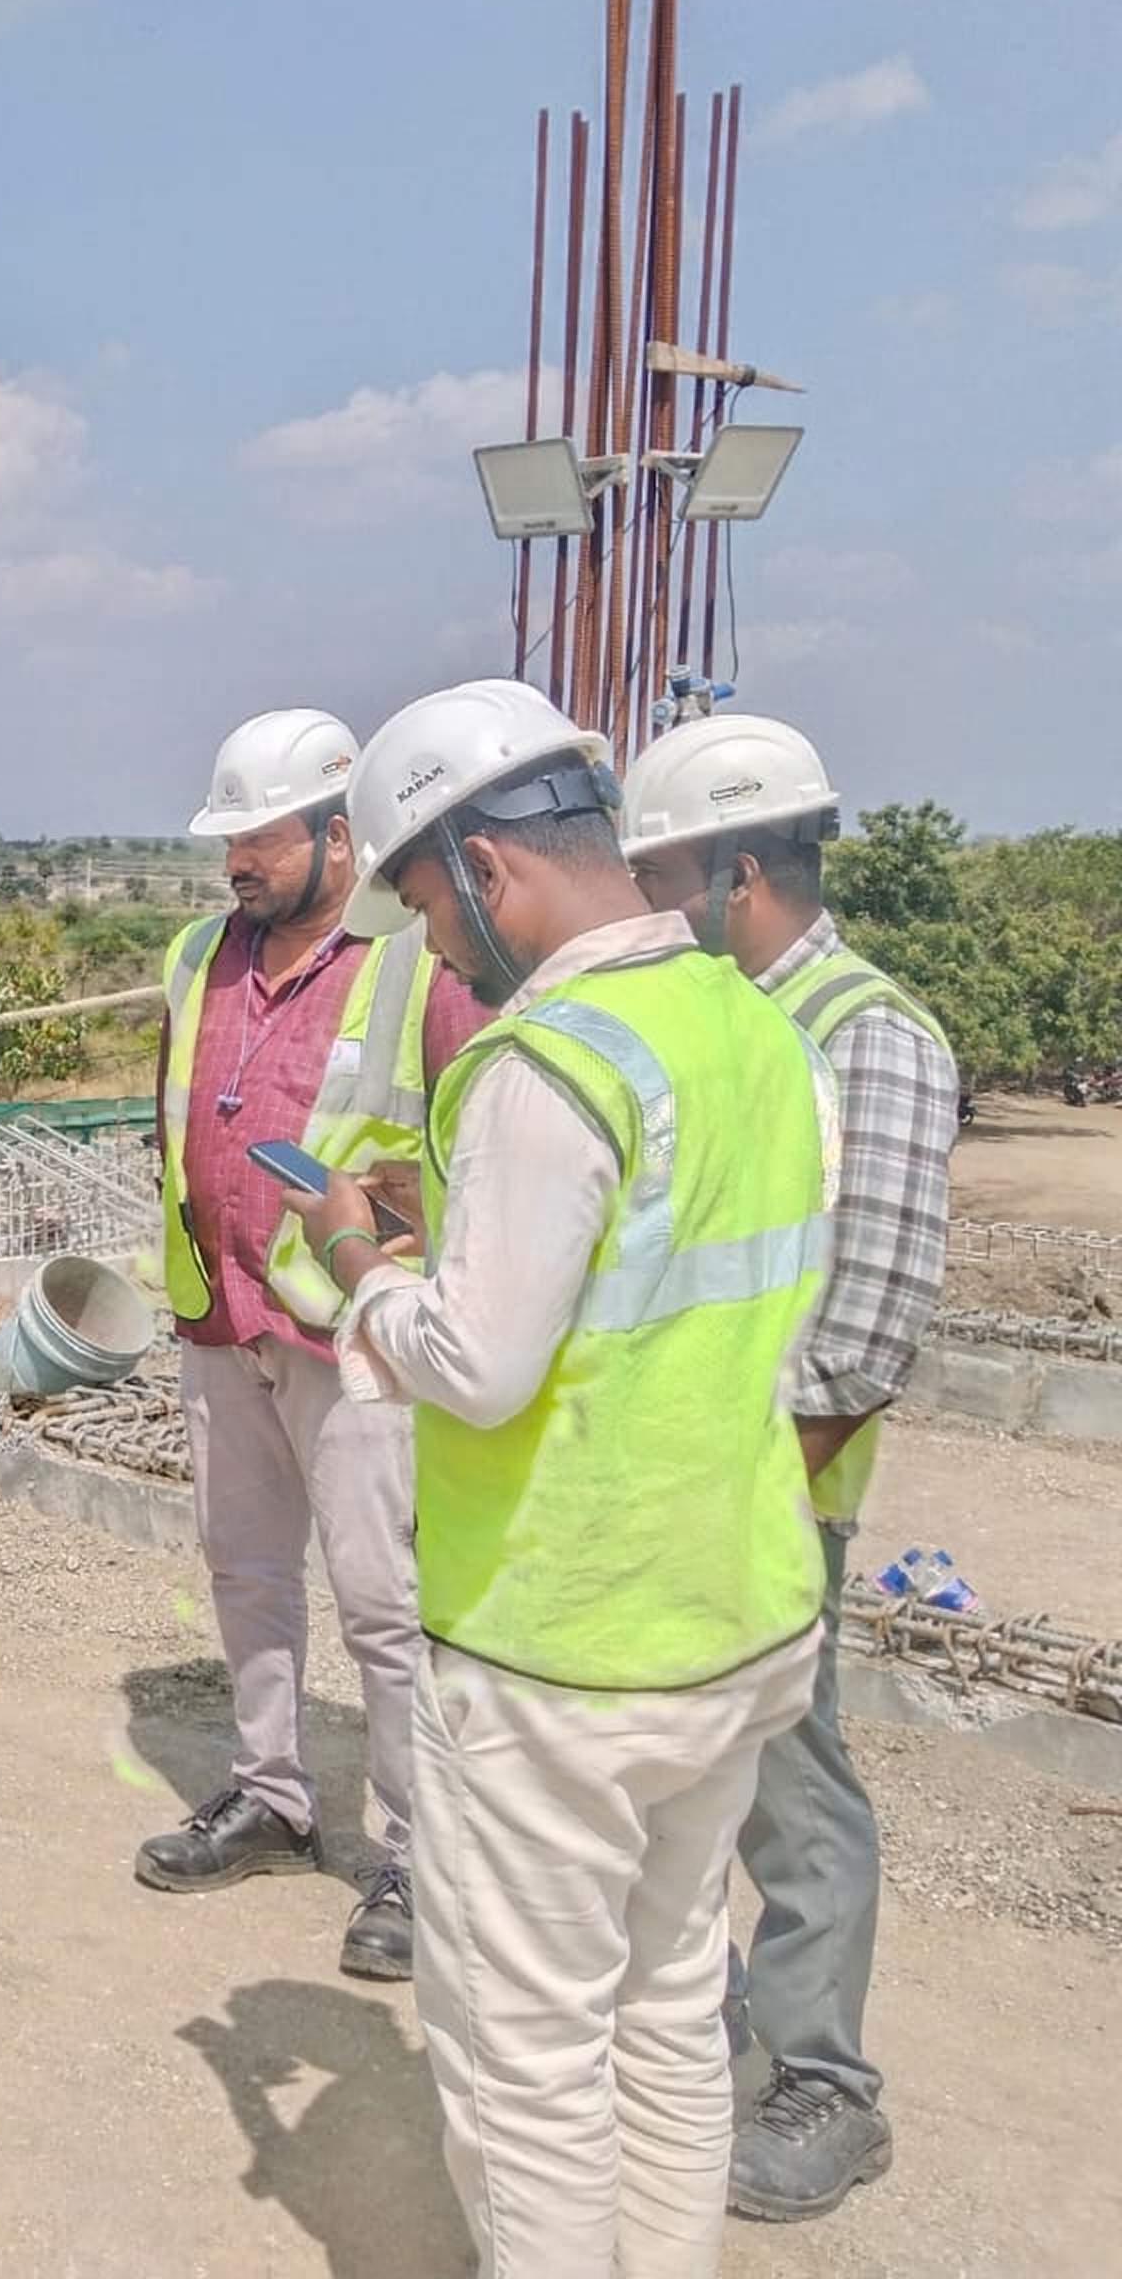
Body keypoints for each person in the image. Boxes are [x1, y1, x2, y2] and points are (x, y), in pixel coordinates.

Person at [274, 677, 835, 2277]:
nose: (435, 950)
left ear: (488, 867)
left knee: (526, 2063)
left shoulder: (546, 1063)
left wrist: (359, 1256)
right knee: (666, 2005)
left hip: (563, 1651)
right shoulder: (759, 1029)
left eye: (427, 909)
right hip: (734, 1616)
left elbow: (476, 1366)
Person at [624, 713, 957, 2224]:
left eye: (660, 877)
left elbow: (866, 1320)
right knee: (692, 1771)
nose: (645, 905)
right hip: (687, 1476)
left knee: (788, 1778)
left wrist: (751, 1490)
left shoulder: (865, 1034)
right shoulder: (718, 1018)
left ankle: (828, 2085)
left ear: (737, 875)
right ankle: (711, 2028)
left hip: (774, 1488)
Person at [138, 708, 480, 1984]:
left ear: (340, 836)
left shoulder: (416, 963)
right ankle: (271, 1792)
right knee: (244, 1573)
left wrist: (399, 1232)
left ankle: (413, 1856)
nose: (235, 862)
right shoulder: (196, 955)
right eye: (226, 840)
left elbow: (470, 1145)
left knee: (384, 1606)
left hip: (354, 1339)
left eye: (259, 839)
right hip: (222, 1316)